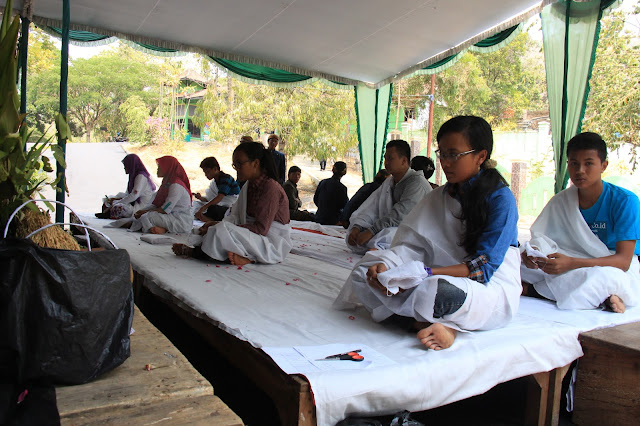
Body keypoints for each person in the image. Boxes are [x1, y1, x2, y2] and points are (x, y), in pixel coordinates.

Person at [334, 116, 521, 351]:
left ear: (480, 156)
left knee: (434, 291)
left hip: (486, 286)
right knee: (365, 271)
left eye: (453, 154)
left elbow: (481, 270)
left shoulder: (500, 199)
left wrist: (422, 274)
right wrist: (388, 265)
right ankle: (427, 321)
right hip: (430, 274)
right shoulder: (439, 197)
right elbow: (413, 247)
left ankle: (446, 326)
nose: (445, 162)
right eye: (441, 153)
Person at [521, 132, 640, 313]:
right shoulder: (561, 200)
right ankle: (604, 297)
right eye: (574, 163)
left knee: (603, 277)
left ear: (603, 165)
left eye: (589, 163)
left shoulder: (625, 201)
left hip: (610, 266)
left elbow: (624, 261)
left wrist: (572, 263)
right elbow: (543, 239)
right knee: (512, 261)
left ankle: (532, 290)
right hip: (569, 262)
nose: (580, 170)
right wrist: (533, 256)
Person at [172, 142, 292, 266]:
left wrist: (224, 226)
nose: (236, 169)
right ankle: (242, 256)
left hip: (270, 241)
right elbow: (236, 216)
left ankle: (199, 253)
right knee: (209, 230)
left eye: (239, 164)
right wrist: (217, 224)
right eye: (235, 165)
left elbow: (261, 229)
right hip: (254, 234)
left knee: (219, 231)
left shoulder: (270, 187)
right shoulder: (248, 185)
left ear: (255, 163)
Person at [346, 140, 431, 253]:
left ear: (404, 161)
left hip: (419, 234)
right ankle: (380, 247)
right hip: (393, 228)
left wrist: (371, 231)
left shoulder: (417, 183)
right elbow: (372, 208)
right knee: (357, 236)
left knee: (388, 235)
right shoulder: (389, 182)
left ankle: (381, 248)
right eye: (385, 158)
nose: (386, 163)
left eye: (390, 158)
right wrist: (358, 227)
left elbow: (399, 215)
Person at [130, 156, 192, 234]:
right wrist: (143, 210)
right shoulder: (167, 182)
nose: (157, 169)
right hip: (170, 215)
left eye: (160, 167)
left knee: (147, 217)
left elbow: (165, 209)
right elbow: (157, 204)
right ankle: (160, 228)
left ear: (167, 168)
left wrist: (145, 212)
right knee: (141, 215)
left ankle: (158, 229)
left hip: (180, 220)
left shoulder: (175, 185)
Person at [96, 153, 156, 219]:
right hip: (132, 202)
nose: (124, 167)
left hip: (139, 206)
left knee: (118, 207)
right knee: (109, 200)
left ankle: (108, 214)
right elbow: (127, 194)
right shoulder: (133, 175)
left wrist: (117, 202)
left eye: (126, 165)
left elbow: (133, 196)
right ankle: (108, 213)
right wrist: (115, 199)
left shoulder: (141, 176)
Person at [193, 157, 240, 221]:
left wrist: (203, 208)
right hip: (219, 204)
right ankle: (204, 217)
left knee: (213, 209)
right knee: (195, 204)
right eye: (205, 172)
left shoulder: (226, 179)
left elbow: (219, 198)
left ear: (215, 169)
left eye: (207, 172)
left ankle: (208, 220)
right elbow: (210, 199)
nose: (206, 175)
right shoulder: (214, 182)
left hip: (230, 206)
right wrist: (200, 198)